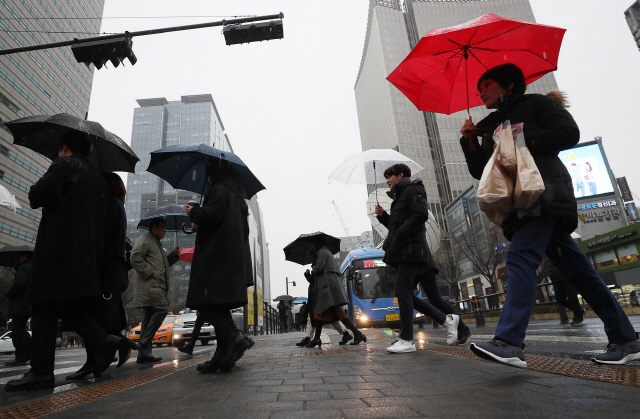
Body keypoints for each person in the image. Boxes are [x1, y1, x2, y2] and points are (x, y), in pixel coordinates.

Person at [459, 63, 640, 367]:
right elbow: (481, 170)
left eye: (486, 85)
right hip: (518, 200)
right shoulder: (491, 124)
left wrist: (520, 138)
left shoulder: (537, 105)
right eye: (479, 88)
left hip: (545, 193)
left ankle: (509, 341)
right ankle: (626, 339)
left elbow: (568, 133)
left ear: (509, 86)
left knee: (520, 257)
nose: (480, 92)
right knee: (580, 272)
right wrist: (468, 140)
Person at [6, 133, 130, 392]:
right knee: (66, 308)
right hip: (83, 259)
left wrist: (53, 171)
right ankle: (103, 339)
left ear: (65, 147)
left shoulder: (66, 165)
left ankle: (41, 372)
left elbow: (35, 196)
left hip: (57, 252)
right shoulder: (98, 179)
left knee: (43, 307)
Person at [374, 164, 461, 353]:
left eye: (390, 176)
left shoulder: (414, 189)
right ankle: (446, 321)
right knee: (404, 293)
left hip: (412, 251)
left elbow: (419, 215)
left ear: (401, 175)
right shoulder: (398, 197)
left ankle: (408, 339)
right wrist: (383, 217)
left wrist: (400, 234)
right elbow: (397, 226)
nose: (387, 180)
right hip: (405, 251)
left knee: (403, 292)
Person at [185, 161, 254, 373]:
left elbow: (210, 216)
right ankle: (223, 356)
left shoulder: (219, 191)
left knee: (205, 304)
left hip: (216, 259)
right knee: (219, 306)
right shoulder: (237, 198)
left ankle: (233, 338)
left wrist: (194, 211)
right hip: (230, 261)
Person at [67, 173, 135, 379]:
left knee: (89, 313)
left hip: (103, 269)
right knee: (101, 316)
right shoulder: (117, 206)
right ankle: (98, 360)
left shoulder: (109, 206)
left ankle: (94, 360)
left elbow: (98, 238)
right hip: (111, 270)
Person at [130, 217, 181, 364]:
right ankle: (144, 344)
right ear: (154, 228)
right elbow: (135, 257)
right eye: (162, 227)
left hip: (155, 286)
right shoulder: (145, 240)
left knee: (147, 319)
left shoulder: (157, 244)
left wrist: (174, 255)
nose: (165, 230)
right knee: (162, 309)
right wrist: (150, 272)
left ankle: (144, 354)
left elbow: (163, 266)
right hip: (150, 286)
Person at [304, 237, 366, 348]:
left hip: (328, 287)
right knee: (322, 313)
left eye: (313, 244)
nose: (312, 246)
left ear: (317, 243)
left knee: (323, 312)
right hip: (327, 287)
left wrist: (313, 268)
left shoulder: (322, 252)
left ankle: (357, 334)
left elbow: (318, 269)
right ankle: (355, 334)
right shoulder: (323, 252)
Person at [296, 269, 353, 347]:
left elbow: (313, 280)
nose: (313, 266)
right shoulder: (320, 271)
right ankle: (310, 338)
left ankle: (312, 338)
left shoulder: (319, 272)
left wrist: (307, 274)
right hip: (317, 299)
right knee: (317, 318)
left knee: (326, 318)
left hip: (318, 299)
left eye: (314, 265)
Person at [5, 250, 33, 366]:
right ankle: (28, 353)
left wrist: (9, 293)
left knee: (17, 331)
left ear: (24, 256)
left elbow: (19, 284)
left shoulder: (24, 267)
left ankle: (21, 357)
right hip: (29, 303)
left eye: (20, 256)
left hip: (21, 304)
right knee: (22, 330)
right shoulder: (34, 267)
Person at [545, 257, 585, 326]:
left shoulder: (560, 249)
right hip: (555, 280)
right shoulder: (547, 255)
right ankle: (579, 312)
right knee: (559, 299)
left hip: (567, 278)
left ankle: (577, 316)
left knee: (572, 297)